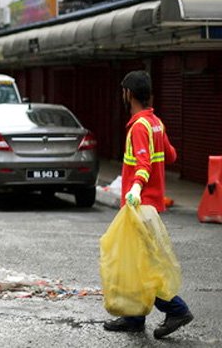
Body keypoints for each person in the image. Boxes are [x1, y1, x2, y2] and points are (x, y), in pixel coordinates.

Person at [102, 70, 193, 339]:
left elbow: (143, 164)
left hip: (139, 206)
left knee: (145, 266)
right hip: (150, 206)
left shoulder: (140, 126)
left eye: (123, 91)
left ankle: (176, 309)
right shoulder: (155, 123)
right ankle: (134, 318)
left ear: (128, 94)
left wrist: (136, 189)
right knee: (138, 262)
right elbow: (171, 156)